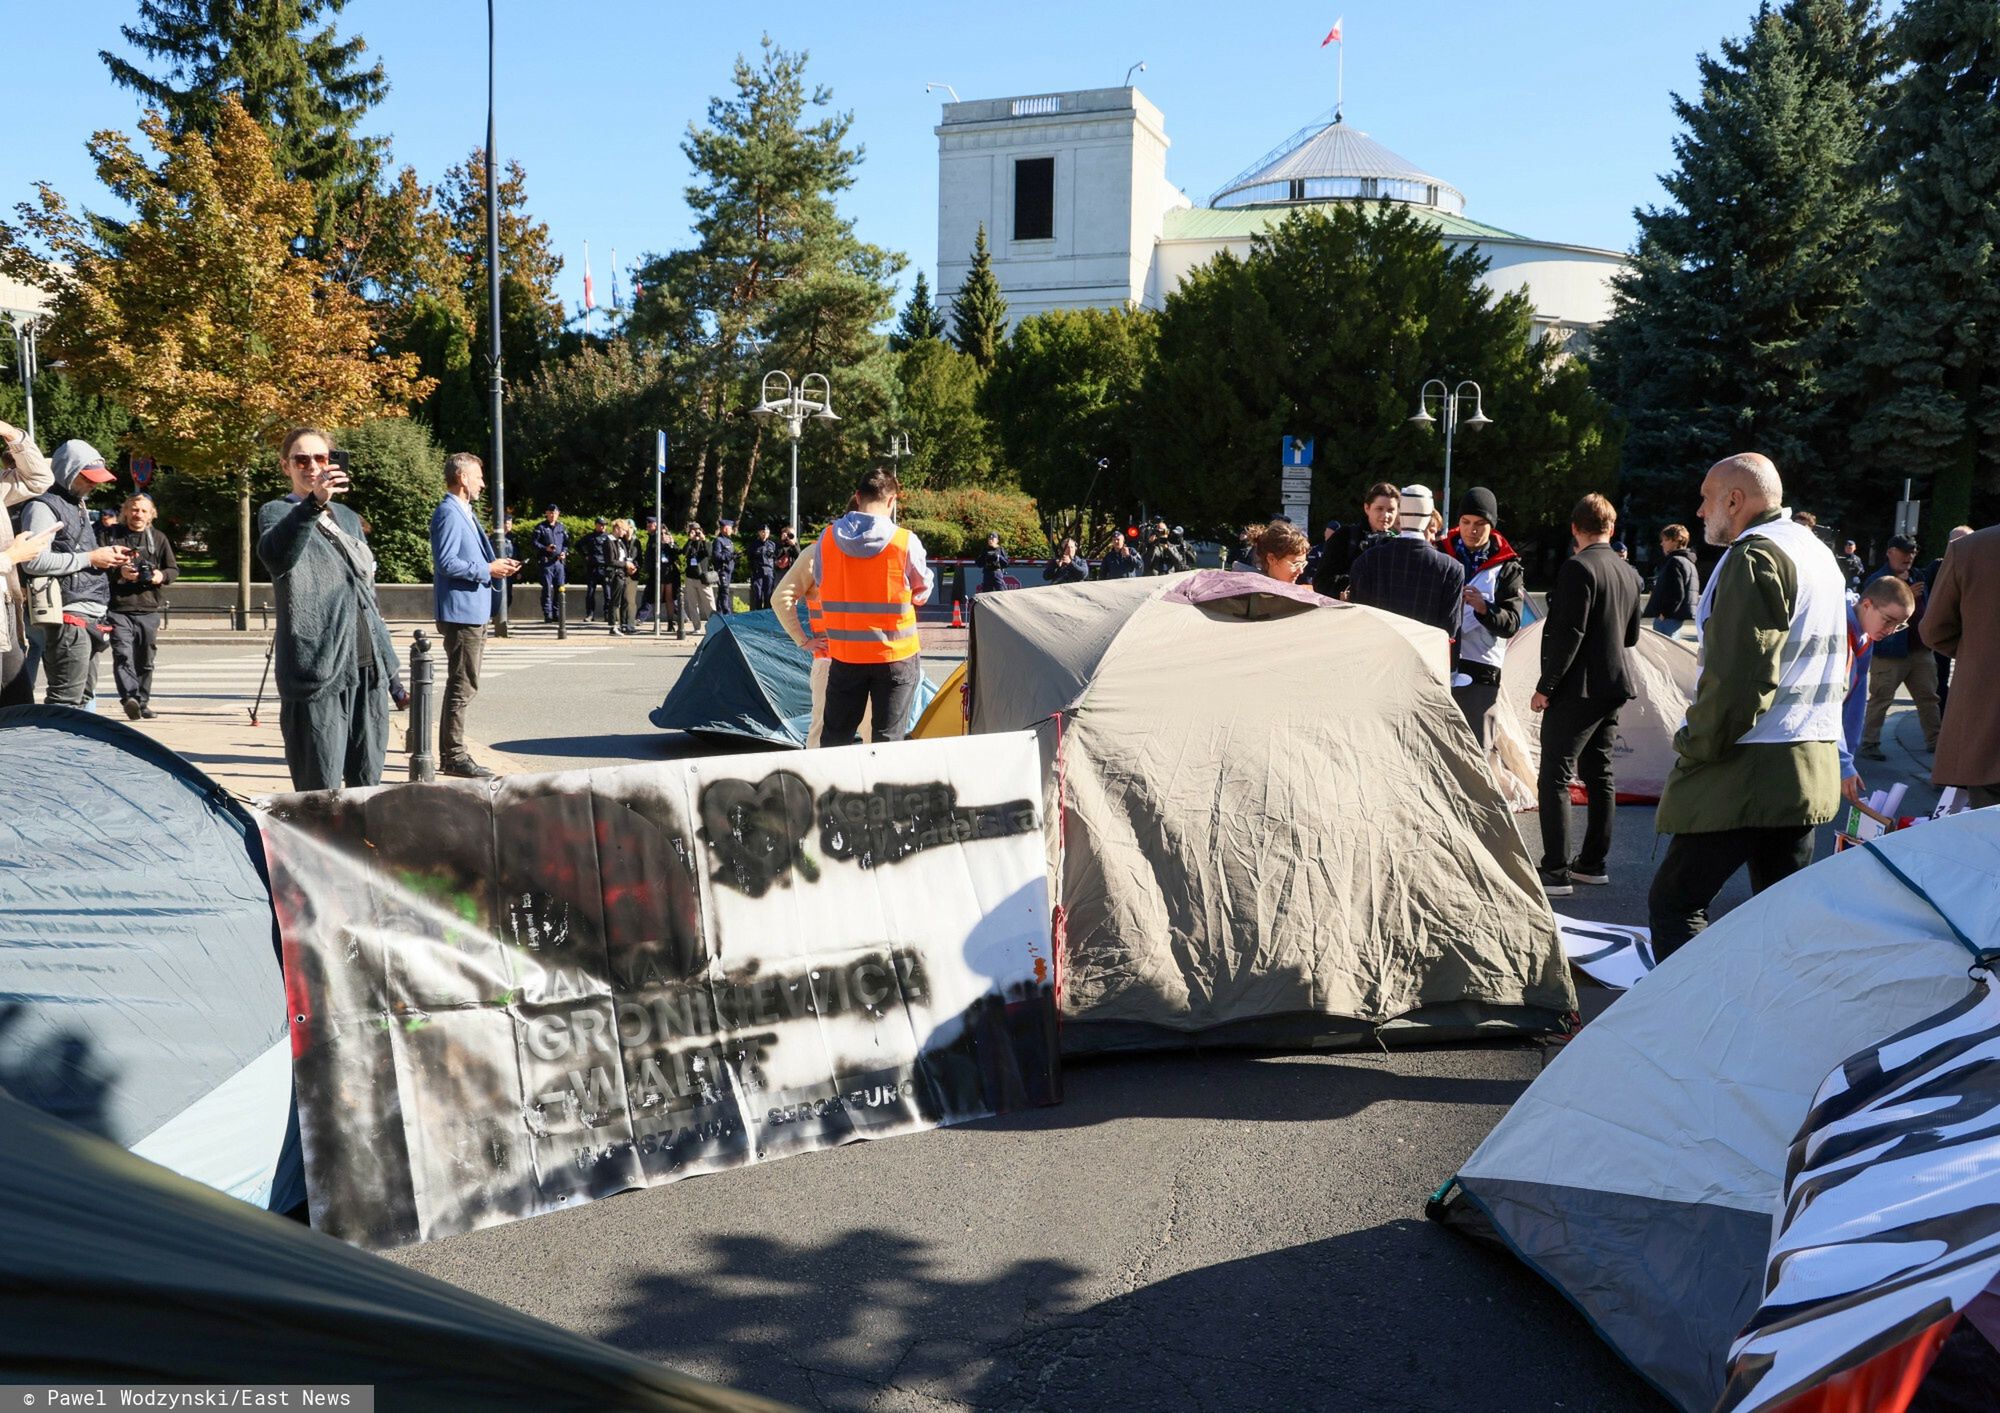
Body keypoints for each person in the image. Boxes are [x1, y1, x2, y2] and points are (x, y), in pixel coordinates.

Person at [1649, 454, 1846, 958]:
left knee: (1676, 905)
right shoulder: (1816, 552)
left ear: (1735, 500)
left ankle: (1688, 1026)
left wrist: (1696, 745)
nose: (1699, 510)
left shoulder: (1757, 555)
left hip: (1751, 761)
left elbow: (1739, 679)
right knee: (1780, 920)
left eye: (1707, 497)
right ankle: (1772, 1027)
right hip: (1807, 760)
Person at [257, 428, 396, 792]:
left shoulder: (348, 516)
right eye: (301, 460)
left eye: (321, 458)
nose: (312, 466)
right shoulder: (277, 512)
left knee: (367, 783)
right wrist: (312, 504)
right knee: (320, 789)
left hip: (365, 663)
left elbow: (366, 589)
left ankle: (361, 849)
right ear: (285, 465)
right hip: (317, 665)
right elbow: (277, 555)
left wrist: (391, 670)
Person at [1529, 493, 1640, 896]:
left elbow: (1569, 634)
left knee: (1555, 775)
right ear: (1611, 528)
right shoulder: (1629, 572)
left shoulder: (1577, 568)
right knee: (1600, 774)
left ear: (1575, 528)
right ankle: (1592, 863)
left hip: (1579, 687)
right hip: (1614, 683)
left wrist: (1546, 687)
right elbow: (1630, 635)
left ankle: (1556, 869)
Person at [809, 465, 934, 746]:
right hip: (895, 657)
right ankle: (879, 791)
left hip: (844, 655)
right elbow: (921, 592)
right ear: (892, 501)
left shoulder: (826, 539)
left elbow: (821, 582)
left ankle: (834, 790)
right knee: (886, 741)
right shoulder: (905, 542)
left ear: (857, 496)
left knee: (835, 738)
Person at [15, 440, 131, 708]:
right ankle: (52, 749)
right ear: (68, 471)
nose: (94, 484)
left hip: (87, 612)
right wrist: (91, 557)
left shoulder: (76, 504)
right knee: (66, 701)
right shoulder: (44, 506)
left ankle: (72, 750)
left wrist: (105, 559)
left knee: (83, 698)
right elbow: (33, 561)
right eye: (87, 478)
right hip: (70, 614)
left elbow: (72, 553)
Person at [429, 453, 519, 777]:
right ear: (463, 478)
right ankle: (453, 756)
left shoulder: (463, 511)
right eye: (479, 476)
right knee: (462, 684)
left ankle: (452, 753)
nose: (483, 482)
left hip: (472, 610)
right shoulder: (449, 513)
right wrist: (488, 569)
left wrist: (496, 568)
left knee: (465, 683)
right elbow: (446, 563)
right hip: (461, 613)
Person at [1922, 522, 2000, 808]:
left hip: (1987, 730)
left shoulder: (1970, 549)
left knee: (1987, 842)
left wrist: (1977, 655)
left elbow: (1933, 630)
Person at [1443, 488, 1526, 745]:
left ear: (1492, 525)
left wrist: (1484, 609)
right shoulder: (1440, 553)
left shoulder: (1508, 567)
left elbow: (1512, 623)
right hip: (1438, 664)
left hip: (1482, 671)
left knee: (1479, 749)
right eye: (1465, 522)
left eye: (1480, 524)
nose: (1472, 530)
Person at [1856, 534, 1940, 762]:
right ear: (1890, 552)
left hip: (1920, 650)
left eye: (1913, 552)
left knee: (1929, 698)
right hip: (1889, 653)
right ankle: (1869, 743)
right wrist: (1906, 595)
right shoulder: (1879, 579)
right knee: (1881, 698)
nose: (1910, 556)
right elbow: (1868, 607)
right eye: (1905, 552)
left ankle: (1936, 742)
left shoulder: (1918, 575)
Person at [1837, 576, 1915, 803]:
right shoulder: (1840, 631)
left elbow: (1856, 698)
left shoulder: (1864, 634)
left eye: (1899, 625)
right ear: (1867, 605)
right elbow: (1826, 703)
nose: (1891, 631)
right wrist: (1842, 761)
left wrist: (1847, 757)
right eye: (1888, 620)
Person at [1347, 485, 1465, 635]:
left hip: (1376, 651)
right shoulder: (1451, 569)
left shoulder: (1366, 560)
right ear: (1430, 516)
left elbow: (1358, 620)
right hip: (1424, 653)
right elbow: (1450, 630)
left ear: (1400, 514)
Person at [102, 492, 178, 719]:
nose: (138, 514)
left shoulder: (158, 538)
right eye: (134, 509)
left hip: (148, 608)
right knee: (123, 653)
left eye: (144, 511)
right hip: (118, 607)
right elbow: (96, 566)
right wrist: (119, 572)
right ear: (125, 511)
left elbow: (173, 570)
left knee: (146, 660)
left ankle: (142, 702)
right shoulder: (110, 536)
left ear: (151, 515)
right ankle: (130, 698)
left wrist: (159, 576)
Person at [0, 419, 59, 707]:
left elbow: (39, 480)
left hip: (5, 609)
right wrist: (11, 557)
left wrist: (11, 433)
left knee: (18, 707)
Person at [1311, 483, 1399, 600]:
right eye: (1379, 509)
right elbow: (1321, 582)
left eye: (1391, 510)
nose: (1385, 515)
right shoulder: (1345, 536)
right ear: (1367, 508)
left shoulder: (1398, 542)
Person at [1920, 525, 1973, 719]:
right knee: (1939, 678)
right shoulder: (1936, 567)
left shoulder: (1981, 566)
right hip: (1945, 632)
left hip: (1971, 636)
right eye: (1955, 544)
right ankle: (1943, 719)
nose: (1959, 547)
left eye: (1965, 543)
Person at [1645, 523, 1701, 637]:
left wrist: (1664, 613)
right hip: (1675, 616)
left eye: (1665, 540)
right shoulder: (1688, 561)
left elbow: (1676, 593)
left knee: (1662, 651)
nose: (1662, 543)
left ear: (1676, 541)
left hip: (1667, 617)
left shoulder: (1675, 561)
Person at [531, 505, 568, 623]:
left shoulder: (561, 527)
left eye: (555, 513)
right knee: (547, 589)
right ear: (546, 513)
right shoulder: (540, 527)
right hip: (546, 562)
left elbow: (566, 543)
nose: (553, 515)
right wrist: (545, 548)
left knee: (560, 588)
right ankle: (548, 614)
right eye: (550, 513)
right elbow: (534, 543)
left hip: (559, 562)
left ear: (558, 514)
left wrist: (564, 553)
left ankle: (557, 613)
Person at [605, 518, 640, 634]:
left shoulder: (619, 542)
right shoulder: (609, 541)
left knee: (623, 600)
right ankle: (612, 625)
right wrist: (625, 564)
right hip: (615, 574)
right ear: (617, 529)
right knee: (615, 601)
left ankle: (623, 624)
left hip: (622, 574)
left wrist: (631, 566)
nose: (625, 533)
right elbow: (610, 560)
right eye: (624, 530)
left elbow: (624, 557)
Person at [579, 517, 613, 623]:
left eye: (605, 525)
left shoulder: (609, 537)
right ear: (596, 525)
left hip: (605, 568)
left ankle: (607, 614)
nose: (603, 526)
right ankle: (590, 614)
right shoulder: (590, 537)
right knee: (590, 593)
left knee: (608, 593)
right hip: (593, 568)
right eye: (601, 524)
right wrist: (585, 555)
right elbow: (578, 545)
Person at [683, 523, 714, 625]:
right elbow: (684, 552)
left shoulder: (706, 543)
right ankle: (696, 626)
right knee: (692, 604)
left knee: (709, 603)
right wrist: (690, 540)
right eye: (693, 531)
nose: (696, 533)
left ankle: (714, 624)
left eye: (697, 530)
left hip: (703, 578)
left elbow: (708, 553)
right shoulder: (690, 544)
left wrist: (703, 539)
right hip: (690, 577)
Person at [747, 524, 778, 609]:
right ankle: (758, 615)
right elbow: (749, 558)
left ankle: (766, 615)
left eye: (767, 532)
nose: (765, 534)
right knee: (758, 595)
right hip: (758, 572)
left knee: (768, 595)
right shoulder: (754, 545)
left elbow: (777, 557)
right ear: (759, 533)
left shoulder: (772, 545)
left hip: (769, 572)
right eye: (763, 532)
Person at [712, 519, 738, 615]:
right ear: (725, 528)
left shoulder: (729, 541)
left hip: (728, 570)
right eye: (730, 528)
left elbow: (729, 555)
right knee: (724, 591)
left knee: (722, 592)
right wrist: (729, 556)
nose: (731, 530)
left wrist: (735, 556)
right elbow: (716, 556)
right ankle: (726, 613)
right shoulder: (718, 541)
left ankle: (720, 613)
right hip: (722, 570)